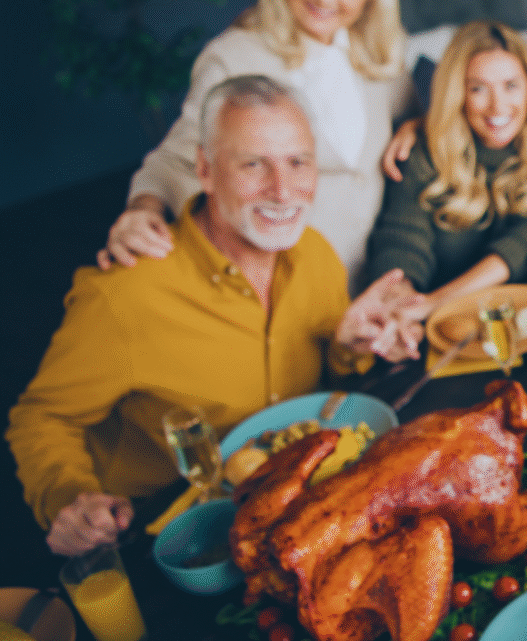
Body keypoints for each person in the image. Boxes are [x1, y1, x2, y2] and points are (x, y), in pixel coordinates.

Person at [8, 76, 421, 557]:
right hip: (166, 532)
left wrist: (352, 348)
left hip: (293, 508)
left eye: (298, 162)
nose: (283, 190)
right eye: (253, 165)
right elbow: (40, 418)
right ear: (205, 170)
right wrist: (67, 499)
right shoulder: (126, 292)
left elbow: (325, 374)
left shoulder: (315, 255)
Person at [101, 0, 410, 289]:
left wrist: (414, 127)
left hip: (370, 284)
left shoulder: (381, 55)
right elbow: (175, 160)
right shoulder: (234, 57)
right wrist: (142, 210)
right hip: (273, 286)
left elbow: (416, 123)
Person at [364, 21, 527, 315]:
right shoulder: (422, 153)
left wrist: (434, 303)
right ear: (458, 94)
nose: (497, 107)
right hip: (439, 322)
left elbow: (520, 244)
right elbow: (403, 240)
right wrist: (400, 299)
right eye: (478, 88)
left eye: (511, 86)